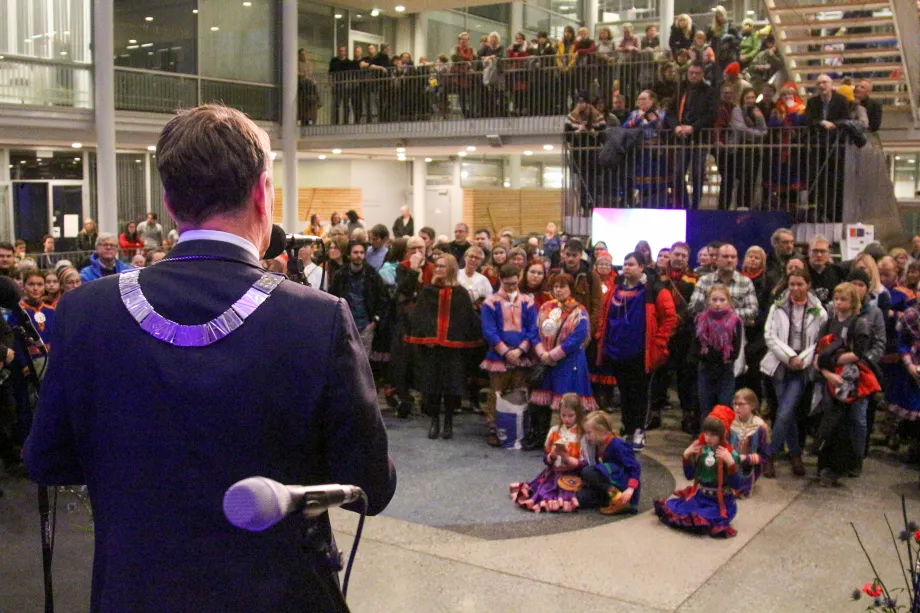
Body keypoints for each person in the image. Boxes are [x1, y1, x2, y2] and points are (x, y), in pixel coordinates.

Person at [25, 105, 396, 613]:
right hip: (276, 595)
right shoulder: (316, 317)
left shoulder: (85, 310)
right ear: (263, 191)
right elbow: (371, 486)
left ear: (168, 201)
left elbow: (47, 459)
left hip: (136, 591)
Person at [595, 252, 677, 450]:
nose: (627, 267)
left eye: (631, 264)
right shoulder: (615, 289)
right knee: (624, 392)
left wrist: (659, 343)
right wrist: (601, 337)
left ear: (642, 267)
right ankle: (628, 428)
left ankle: (640, 430)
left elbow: (670, 319)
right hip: (617, 351)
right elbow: (604, 316)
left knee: (640, 392)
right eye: (624, 264)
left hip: (641, 352)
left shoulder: (655, 290)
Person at [406, 254, 482, 439]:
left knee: (450, 387)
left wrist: (459, 340)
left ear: (452, 269)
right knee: (431, 387)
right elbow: (420, 318)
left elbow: (465, 320)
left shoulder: (461, 293)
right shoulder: (427, 291)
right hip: (431, 349)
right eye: (437, 266)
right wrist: (427, 337)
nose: (438, 269)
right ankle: (434, 422)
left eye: (443, 266)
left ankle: (448, 422)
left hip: (453, 351)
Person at [761, 268, 827, 477]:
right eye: (792, 284)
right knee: (785, 413)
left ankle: (769, 455)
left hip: (802, 366)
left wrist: (801, 359)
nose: (796, 288)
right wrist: (790, 356)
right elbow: (770, 336)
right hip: (780, 363)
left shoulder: (820, 310)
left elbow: (819, 342)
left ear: (808, 285)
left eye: (800, 284)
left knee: (785, 412)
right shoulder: (777, 307)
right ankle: (795, 454)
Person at [814, 282, 881, 485]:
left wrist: (831, 361)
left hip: (853, 380)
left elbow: (858, 354)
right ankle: (830, 466)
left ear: (853, 302)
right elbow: (819, 355)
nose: (839, 303)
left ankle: (853, 462)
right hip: (832, 380)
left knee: (854, 422)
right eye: (837, 299)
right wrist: (827, 373)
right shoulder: (828, 323)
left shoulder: (859, 324)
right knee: (832, 424)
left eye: (844, 299)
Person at [654, 405, 742, 538]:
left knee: (704, 518)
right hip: (701, 497)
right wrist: (686, 456)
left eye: (713, 434)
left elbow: (737, 485)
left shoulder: (730, 454)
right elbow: (690, 476)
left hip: (720, 503)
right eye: (706, 433)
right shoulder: (702, 450)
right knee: (674, 508)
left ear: (723, 433)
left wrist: (731, 463)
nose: (708, 438)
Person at [480, 264, 539, 447]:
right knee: (496, 393)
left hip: (521, 355)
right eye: (507, 284)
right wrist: (505, 351)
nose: (511, 287)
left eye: (514, 283)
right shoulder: (490, 302)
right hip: (498, 356)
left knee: (519, 393)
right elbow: (489, 330)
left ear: (519, 278)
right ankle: (493, 427)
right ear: (500, 280)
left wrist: (520, 350)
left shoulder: (527, 302)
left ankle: (516, 429)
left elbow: (533, 328)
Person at [531, 272, 598, 425]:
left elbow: (577, 337)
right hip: (546, 361)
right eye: (555, 287)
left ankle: (570, 438)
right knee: (543, 404)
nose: (559, 290)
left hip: (569, 362)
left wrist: (553, 355)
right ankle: (546, 436)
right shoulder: (546, 307)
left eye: (563, 287)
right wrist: (542, 353)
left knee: (567, 404)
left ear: (571, 289)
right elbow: (535, 331)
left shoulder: (579, 311)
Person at [509, 393, 590, 513]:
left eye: (571, 416)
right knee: (542, 493)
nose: (566, 419)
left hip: (573, 474)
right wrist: (551, 456)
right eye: (563, 415)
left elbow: (586, 462)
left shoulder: (582, 435)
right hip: (554, 472)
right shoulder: (554, 431)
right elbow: (546, 458)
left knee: (568, 495)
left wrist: (568, 459)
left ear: (578, 414)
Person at [329, 241, 388, 357]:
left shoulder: (372, 275)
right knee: (346, 359)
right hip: (346, 325)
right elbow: (333, 297)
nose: (359, 255)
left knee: (364, 362)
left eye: (361, 252)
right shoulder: (340, 275)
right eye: (355, 252)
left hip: (366, 325)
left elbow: (382, 298)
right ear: (349, 255)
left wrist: (375, 321)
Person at [670, 61, 715, 209]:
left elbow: (711, 114)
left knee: (698, 174)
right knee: (677, 173)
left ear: (702, 74)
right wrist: (676, 126)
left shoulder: (709, 91)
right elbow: (670, 112)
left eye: (697, 73)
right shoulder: (680, 89)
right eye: (691, 73)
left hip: (700, 137)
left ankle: (695, 206)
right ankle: (683, 204)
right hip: (681, 137)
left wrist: (693, 128)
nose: (694, 76)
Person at [577, 411, 641, 514]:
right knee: (580, 497)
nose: (587, 436)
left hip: (622, 483)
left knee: (587, 471)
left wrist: (630, 489)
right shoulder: (597, 444)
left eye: (589, 433)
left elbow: (634, 467)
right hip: (608, 483)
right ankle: (616, 501)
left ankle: (619, 498)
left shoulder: (617, 444)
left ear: (601, 431)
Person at [805, 74, 849, 222]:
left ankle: (833, 213)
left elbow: (845, 119)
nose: (821, 86)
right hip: (818, 145)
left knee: (834, 179)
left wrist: (834, 125)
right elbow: (809, 120)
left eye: (824, 82)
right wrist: (822, 122)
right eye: (819, 83)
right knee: (816, 178)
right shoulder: (812, 102)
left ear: (831, 85)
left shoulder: (841, 100)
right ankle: (816, 211)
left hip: (835, 145)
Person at [696, 285, 743, 417]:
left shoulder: (735, 321)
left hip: (725, 368)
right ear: (708, 301)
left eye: (722, 300)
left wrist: (727, 357)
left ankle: (723, 436)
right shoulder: (701, 319)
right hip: (706, 368)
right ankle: (706, 436)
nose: (718, 304)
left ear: (729, 301)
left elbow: (736, 347)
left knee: (724, 407)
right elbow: (697, 346)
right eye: (714, 299)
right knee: (706, 407)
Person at [624, 90, 670, 208]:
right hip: (641, 154)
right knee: (642, 184)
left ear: (652, 100)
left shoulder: (661, 113)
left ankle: (660, 205)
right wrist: (637, 120)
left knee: (659, 183)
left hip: (658, 154)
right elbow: (623, 128)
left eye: (644, 99)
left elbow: (666, 131)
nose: (640, 102)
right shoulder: (634, 114)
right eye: (639, 99)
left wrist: (655, 122)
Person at [729, 388, 772, 494]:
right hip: (729, 463)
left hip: (748, 467)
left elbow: (765, 456)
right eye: (735, 404)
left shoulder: (760, 427)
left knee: (737, 488)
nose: (737, 408)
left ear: (752, 406)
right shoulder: (729, 422)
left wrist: (746, 458)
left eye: (741, 404)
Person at [807, 234, 843, 306]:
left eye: (823, 251)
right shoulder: (802, 271)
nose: (819, 255)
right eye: (815, 251)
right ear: (808, 252)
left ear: (828, 253)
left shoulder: (837, 272)